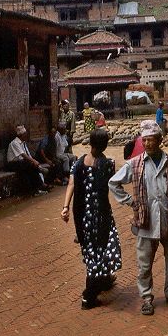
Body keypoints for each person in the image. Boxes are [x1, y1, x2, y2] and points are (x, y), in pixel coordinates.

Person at [109, 120, 168, 317]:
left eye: (151, 140)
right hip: (146, 220)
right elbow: (113, 183)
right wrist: (131, 202)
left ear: (160, 140)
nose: (147, 144)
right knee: (144, 262)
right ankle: (146, 297)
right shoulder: (135, 164)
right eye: (144, 141)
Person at [61, 130, 121, 309]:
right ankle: (89, 295)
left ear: (90, 143)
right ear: (104, 146)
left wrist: (65, 208)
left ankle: (103, 280)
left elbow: (71, 184)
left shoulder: (78, 163)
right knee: (103, 250)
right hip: (101, 215)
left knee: (92, 251)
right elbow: (115, 185)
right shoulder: (108, 164)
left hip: (84, 217)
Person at [6, 125, 50, 196]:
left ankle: (36, 188)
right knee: (31, 165)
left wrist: (35, 162)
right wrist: (33, 161)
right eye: (25, 134)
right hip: (12, 164)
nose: (26, 136)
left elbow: (28, 155)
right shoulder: (14, 143)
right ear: (21, 135)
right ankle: (41, 184)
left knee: (30, 170)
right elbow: (23, 155)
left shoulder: (23, 143)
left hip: (22, 163)